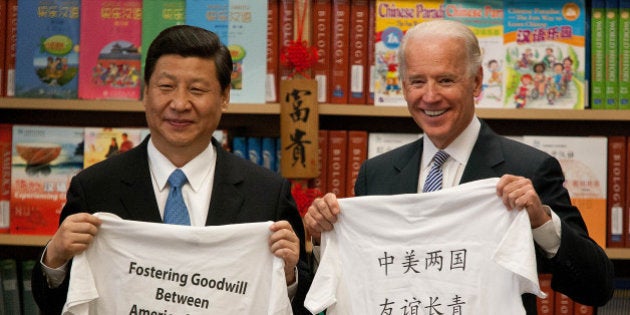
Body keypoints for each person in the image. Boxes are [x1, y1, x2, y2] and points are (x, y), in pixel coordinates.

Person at [303, 19, 613, 314]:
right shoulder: (377, 173)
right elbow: (357, 281)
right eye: (417, 82)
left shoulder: (528, 168)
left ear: (476, 81)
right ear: (403, 86)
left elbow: (597, 287)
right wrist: (323, 238)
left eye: (446, 80)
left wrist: (540, 220)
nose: (430, 96)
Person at [32, 25, 311, 314]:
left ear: (225, 96)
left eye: (197, 89)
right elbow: (57, 306)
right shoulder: (94, 188)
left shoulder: (267, 193)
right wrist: (55, 259)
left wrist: (289, 276)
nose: (179, 104)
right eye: (166, 87)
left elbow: (306, 305)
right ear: (145, 92)